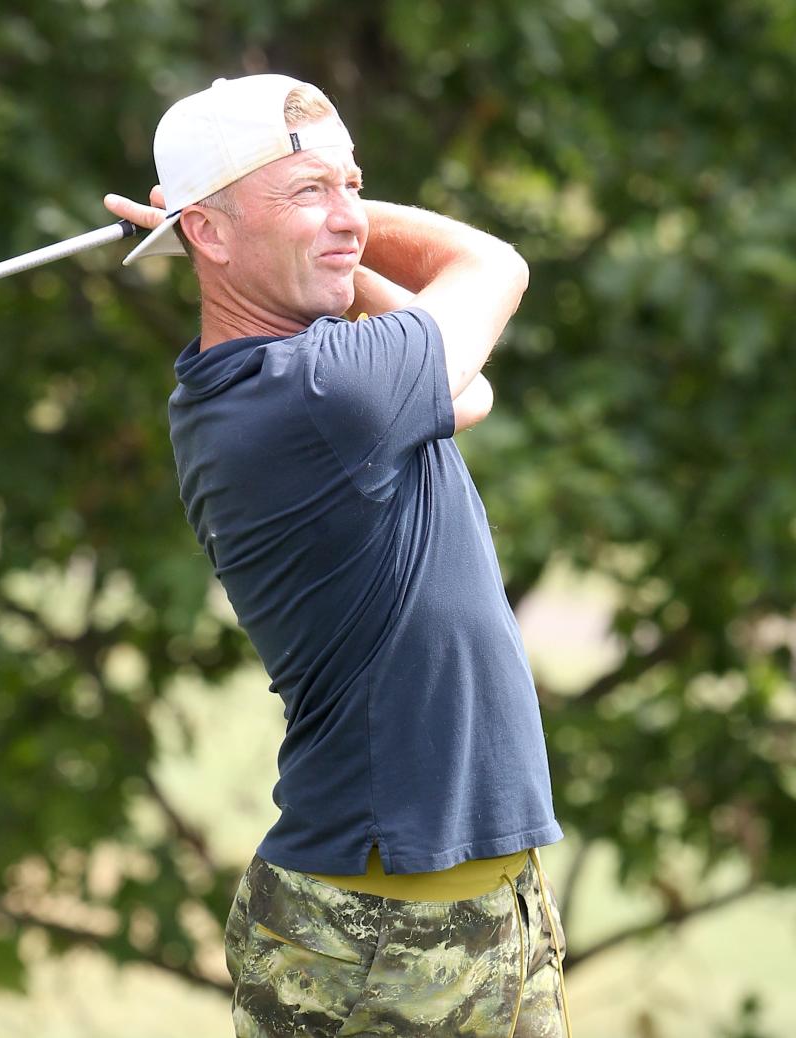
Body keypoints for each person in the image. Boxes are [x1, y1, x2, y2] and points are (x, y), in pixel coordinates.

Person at [105, 74, 571, 1038]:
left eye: (354, 187)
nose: (350, 217)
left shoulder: (301, 384)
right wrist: (260, 212)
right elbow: (491, 266)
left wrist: (298, 215)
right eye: (309, 192)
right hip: (378, 937)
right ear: (210, 234)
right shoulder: (317, 396)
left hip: (487, 911)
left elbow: (466, 386)